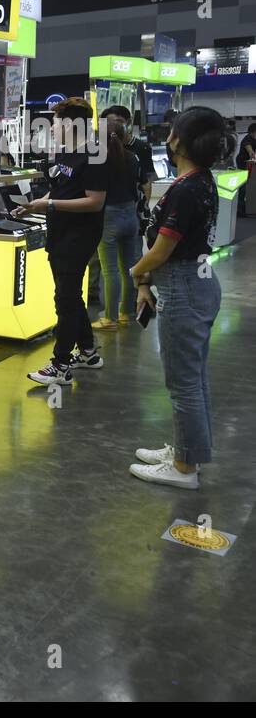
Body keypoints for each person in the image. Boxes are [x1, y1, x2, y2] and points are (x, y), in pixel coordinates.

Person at [128, 107, 226, 490]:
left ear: (179, 141)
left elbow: (161, 250)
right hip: (196, 283)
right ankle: (187, 453)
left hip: (182, 289)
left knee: (183, 383)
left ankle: (184, 469)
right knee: (193, 379)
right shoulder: (198, 181)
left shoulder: (186, 189)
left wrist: (137, 272)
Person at [22, 97, 108, 386]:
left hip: (79, 236)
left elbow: (95, 202)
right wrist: (36, 204)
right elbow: (59, 191)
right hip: (58, 233)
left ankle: (60, 365)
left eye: (57, 122)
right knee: (70, 295)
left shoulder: (95, 155)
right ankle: (87, 351)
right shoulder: (64, 153)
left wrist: (52, 205)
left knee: (65, 300)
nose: (54, 127)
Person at [92, 111, 146, 330]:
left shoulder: (98, 158)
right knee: (129, 269)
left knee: (109, 271)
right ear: (124, 136)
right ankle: (126, 313)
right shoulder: (132, 158)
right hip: (130, 215)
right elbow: (141, 185)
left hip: (108, 217)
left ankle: (109, 319)